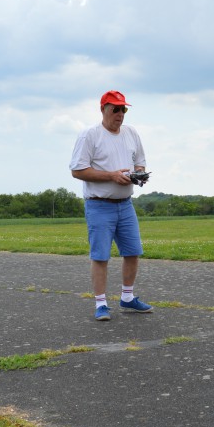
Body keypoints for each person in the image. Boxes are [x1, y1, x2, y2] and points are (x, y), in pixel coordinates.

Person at [69, 90, 153, 321]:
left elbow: (140, 163)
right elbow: (77, 170)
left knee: (133, 251)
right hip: (99, 204)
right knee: (100, 256)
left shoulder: (131, 133)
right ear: (102, 109)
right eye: (115, 109)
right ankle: (101, 304)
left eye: (123, 109)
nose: (120, 114)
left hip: (125, 204)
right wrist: (111, 176)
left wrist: (138, 175)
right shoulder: (90, 135)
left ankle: (127, 297)